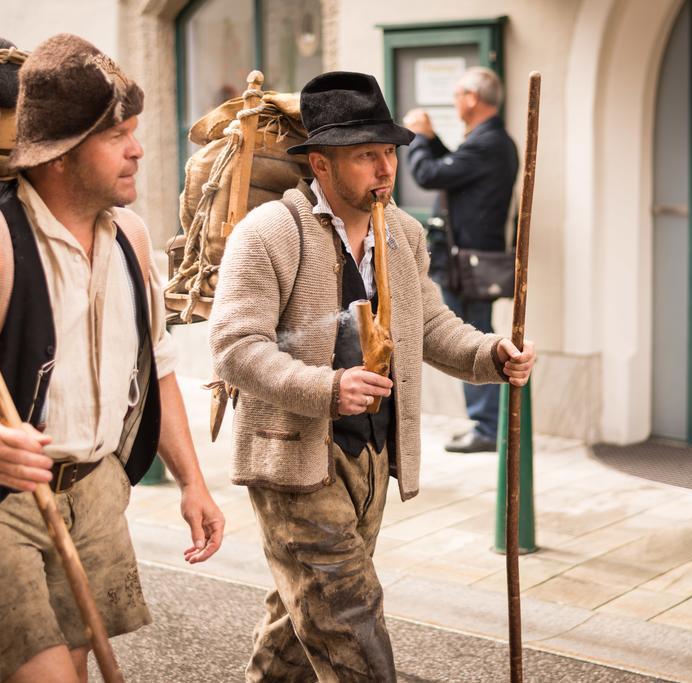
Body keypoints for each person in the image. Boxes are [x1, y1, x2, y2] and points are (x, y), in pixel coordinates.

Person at [0, 34, 224, 683]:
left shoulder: (132, 241)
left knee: (73, 669)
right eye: (116, 136)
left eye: (134, 131)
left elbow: (158, 365)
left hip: (93, 490)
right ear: (58, 155)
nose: (138, 149)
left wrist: (193, 481)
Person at [209, 71, 535, 682]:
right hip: (294, 461)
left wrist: (492, 355)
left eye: (389, 153)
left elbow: (430, 326)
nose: (385, 169)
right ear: (322, 166)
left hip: (370, 459)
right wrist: (327, 389)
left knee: (300, 621)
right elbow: (234, 347)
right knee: (350, 620)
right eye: (366, 156)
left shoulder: (403, 234)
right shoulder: (270, 233)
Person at [402, 67, 518, 453]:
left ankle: (487, 427)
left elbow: (431, 174)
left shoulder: (489, 143)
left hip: (470, 261)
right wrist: (432, 140)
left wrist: (418, 137)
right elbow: (454, 170)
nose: (453, 103)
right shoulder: (488, 141)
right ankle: (484, 424)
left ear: (471, 97)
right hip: (468, 258)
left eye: (456, 96)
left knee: (472, 336)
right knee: (472, 332)